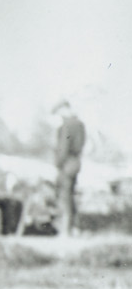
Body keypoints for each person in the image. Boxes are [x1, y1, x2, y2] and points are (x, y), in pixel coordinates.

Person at [53, 100, 87, 237]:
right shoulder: (80, 124)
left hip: (67, 163)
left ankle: (65, 230)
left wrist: (57, 163)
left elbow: (63, 148)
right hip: (76, 162)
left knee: (64, 196)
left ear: (64, 109)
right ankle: (74, 228)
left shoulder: (67, 126)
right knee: (70, 195)